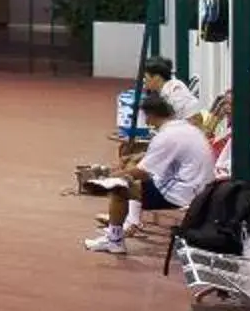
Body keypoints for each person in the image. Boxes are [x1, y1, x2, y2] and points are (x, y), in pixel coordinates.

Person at [86, 93, 211, 256]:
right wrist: (135, 159)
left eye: (146, 117)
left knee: (118, 189)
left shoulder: (167, 136)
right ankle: (123, 228)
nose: (146, 123)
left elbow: (143, 172)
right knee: (129, 176)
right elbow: (161, 158)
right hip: (199, 187)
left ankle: (115, 241)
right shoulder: (184, 128)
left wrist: (109, 177)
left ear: (151, 115)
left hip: (183, 192)